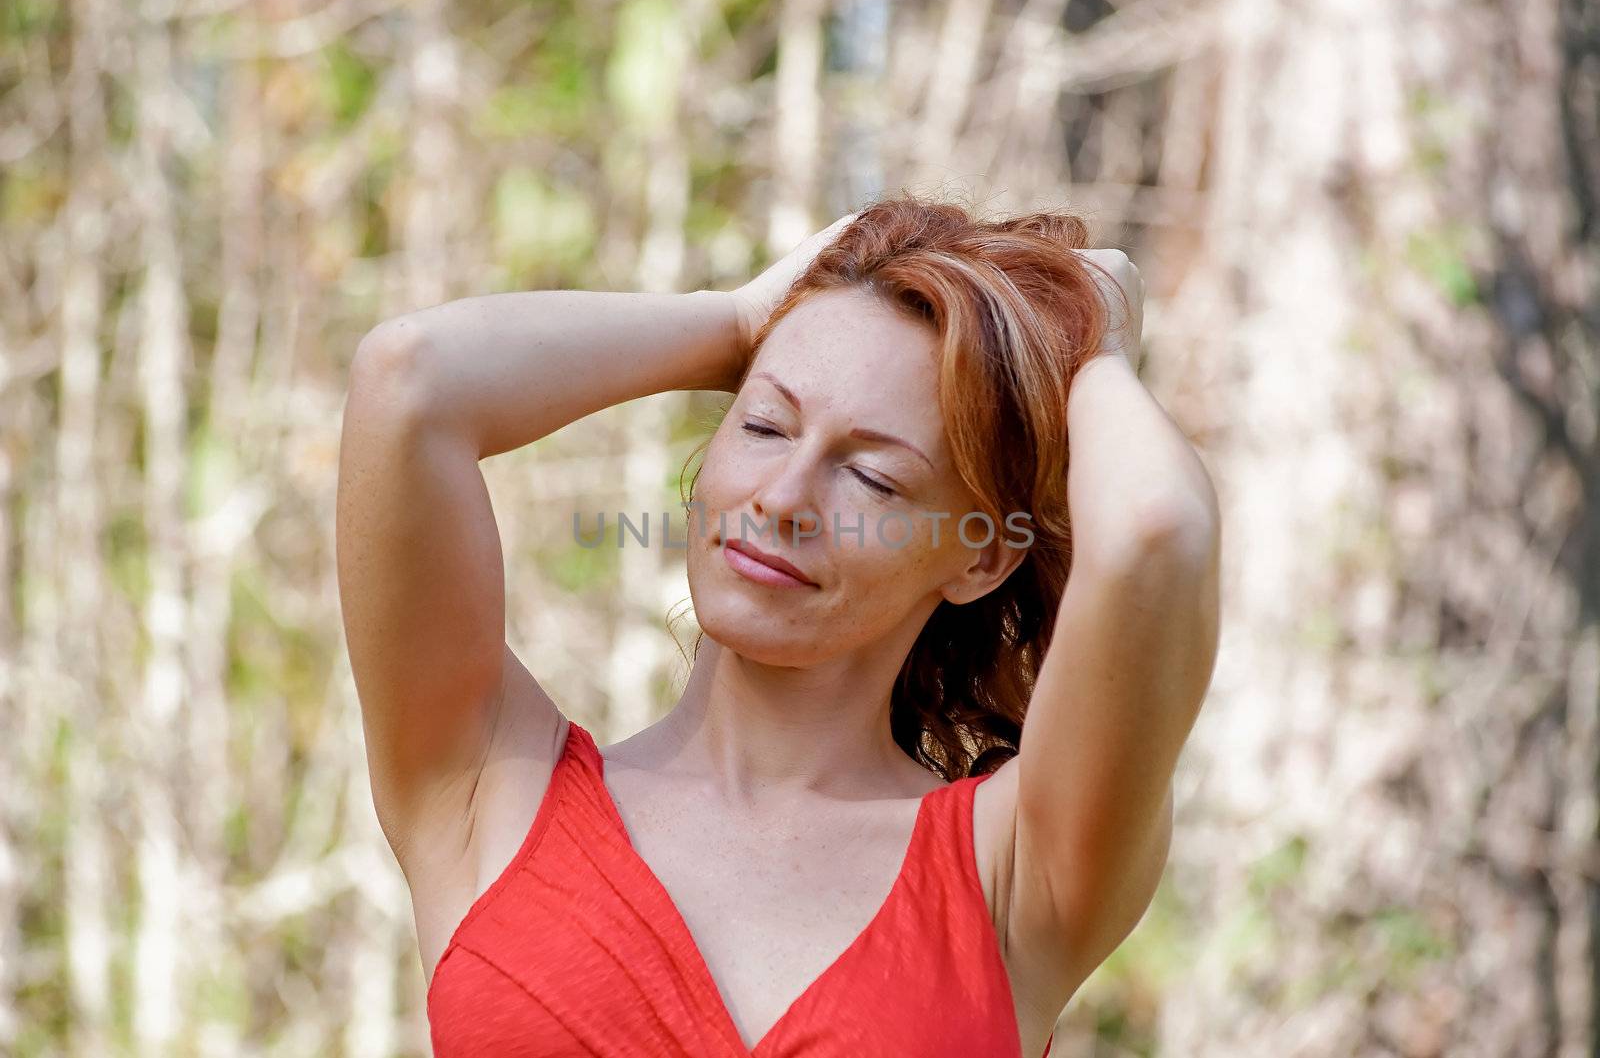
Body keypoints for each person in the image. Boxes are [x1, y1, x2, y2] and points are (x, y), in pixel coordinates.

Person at [335, 193, 1221, 1057]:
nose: (783, 497)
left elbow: (1155, 530)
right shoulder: (488, 784)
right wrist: (738, 317)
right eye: (763, 425)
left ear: (980, 557)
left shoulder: (1015, 871)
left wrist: (1091, 346)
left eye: (873, 479)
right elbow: (410, 380)